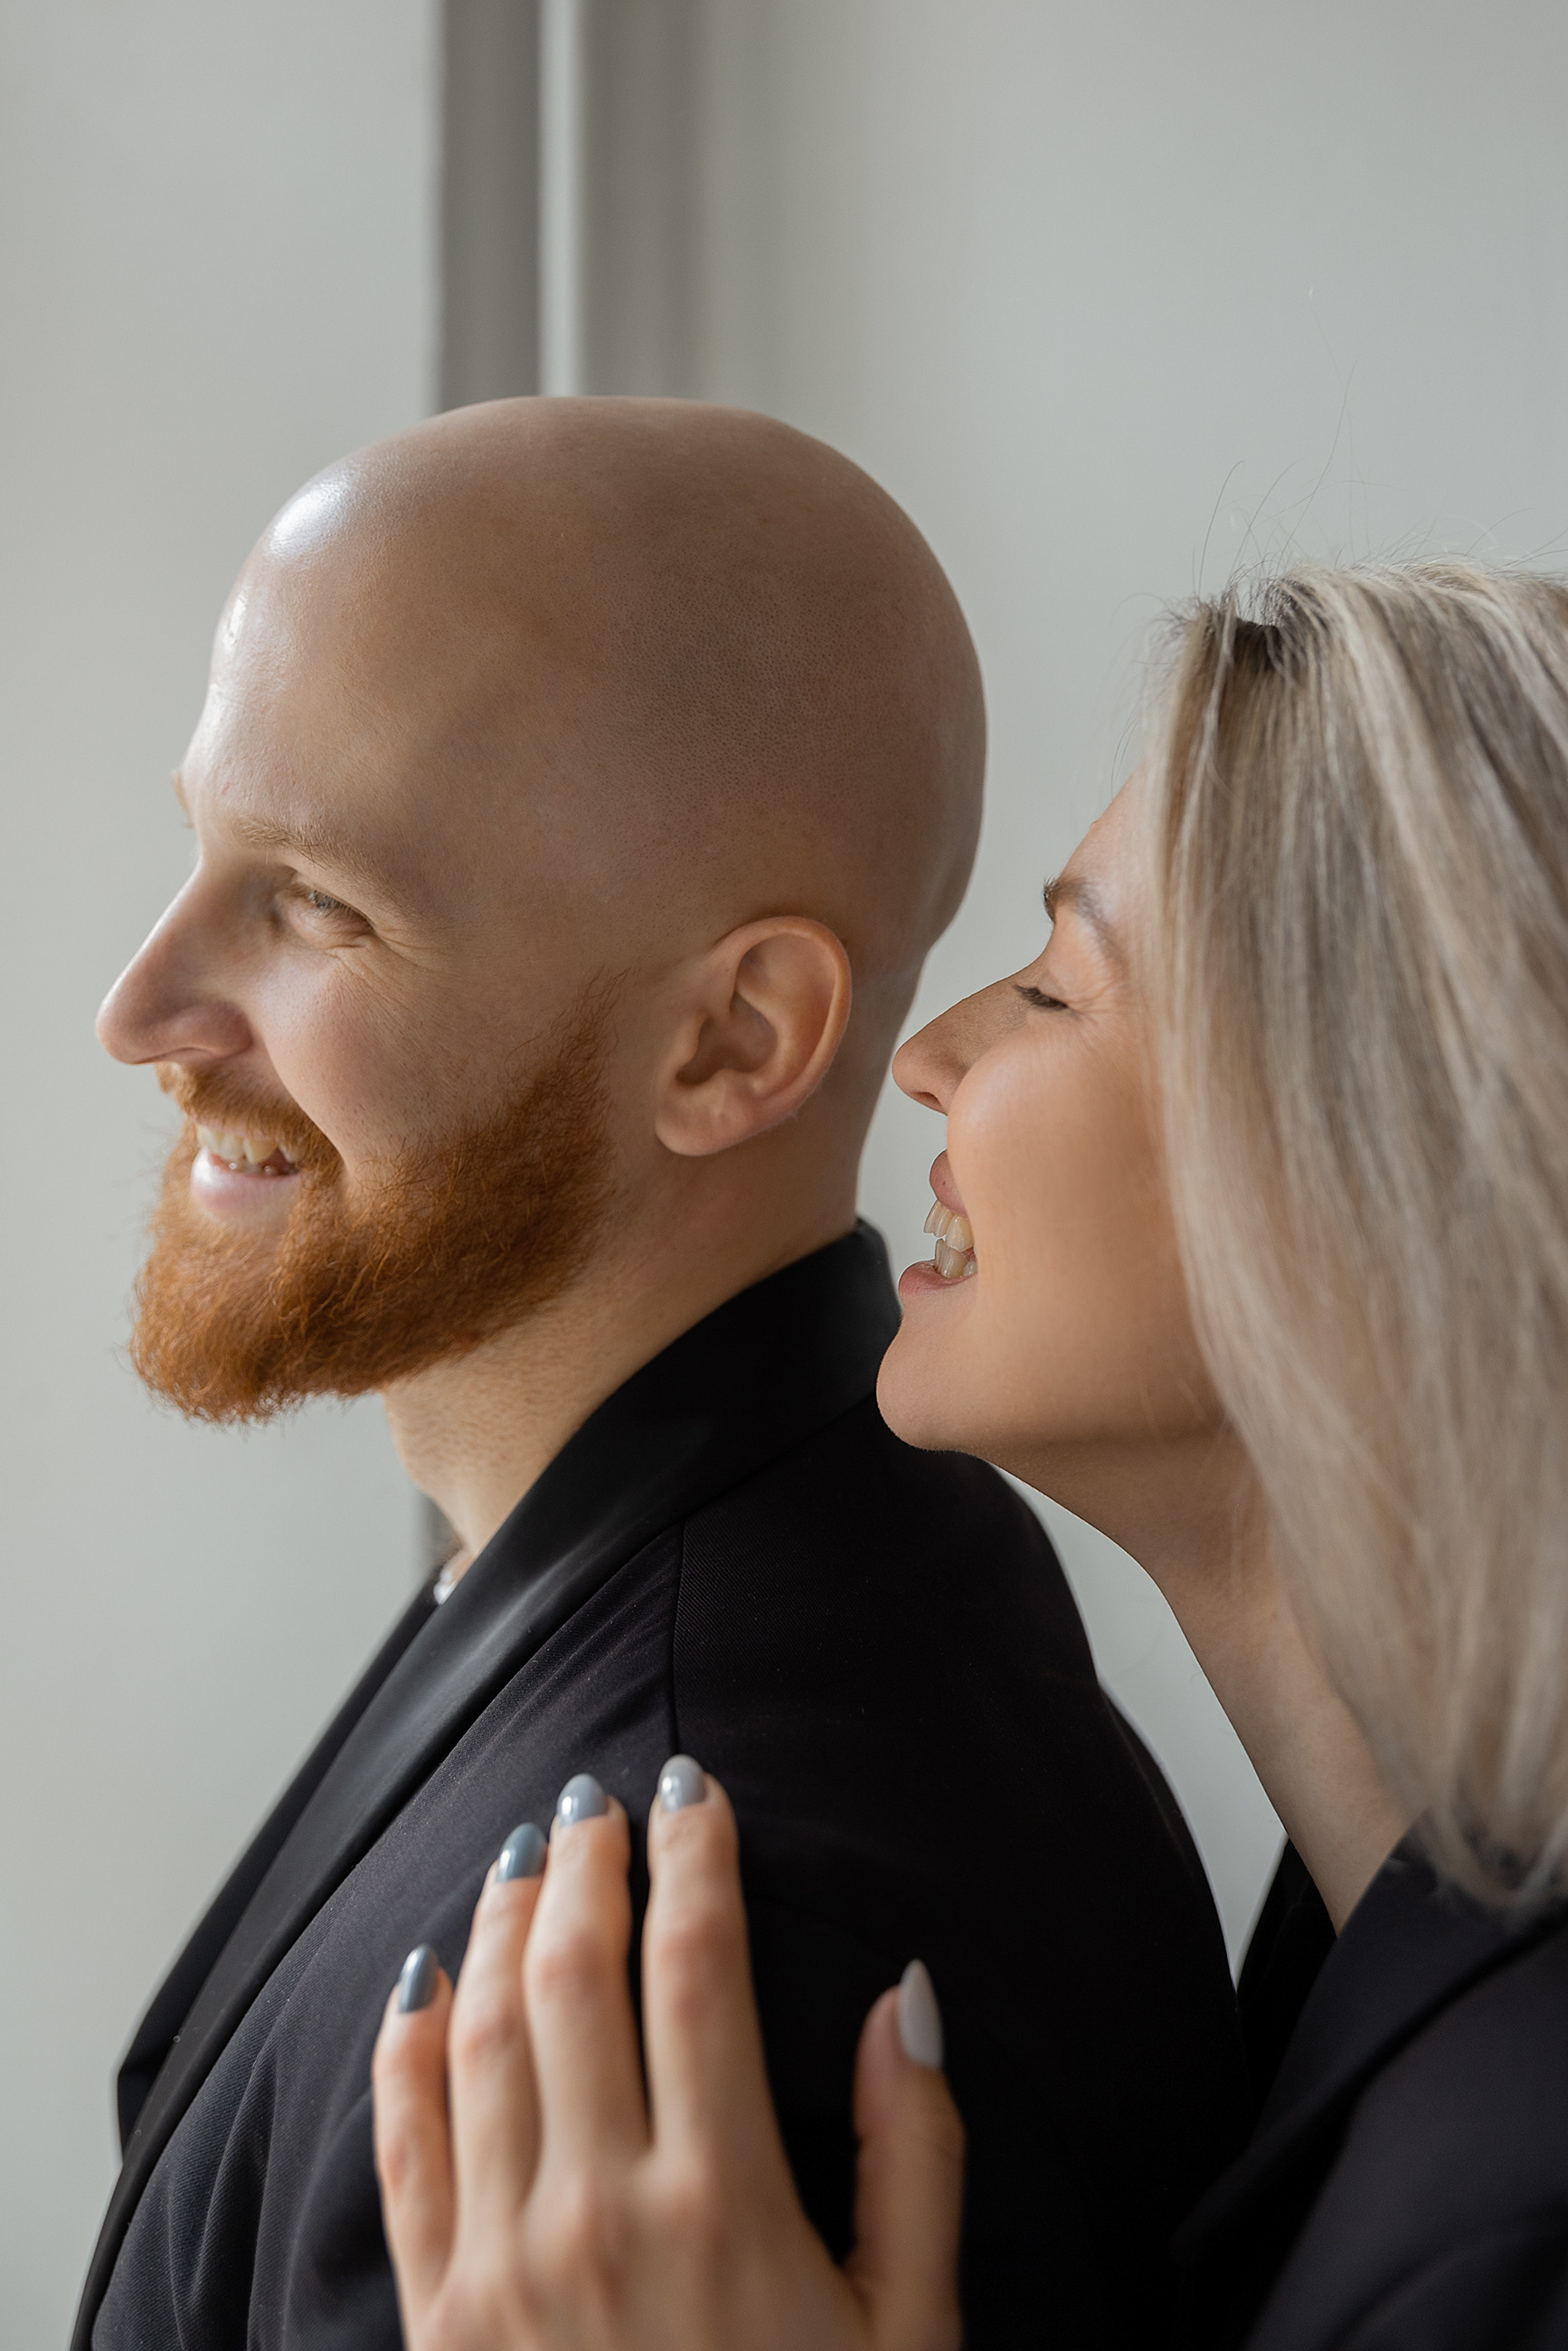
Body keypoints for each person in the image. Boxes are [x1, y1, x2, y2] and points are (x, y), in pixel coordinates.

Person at [76, 399, 1246, 2351]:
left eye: (318, 904)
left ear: (733, 1040)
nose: (141, 1009)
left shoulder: (672, 1976)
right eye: (205, 847)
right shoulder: (716, 1547)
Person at [374, 560, 1568, 2351]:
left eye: (1062, 989)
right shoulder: (1364, 1973)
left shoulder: (1516, 2215)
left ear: (1368, 1178)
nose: (927, 1053)